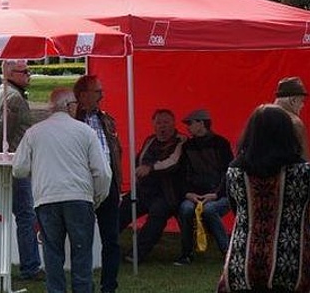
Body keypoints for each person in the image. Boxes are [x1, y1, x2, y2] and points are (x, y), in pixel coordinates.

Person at [13, 87, 112, 293]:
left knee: (52, 253)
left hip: (46, 198)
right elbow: (102, 172)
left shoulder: (34, 132)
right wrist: (97, 198)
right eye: (75, 104)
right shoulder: (86, 131)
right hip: (80, 198)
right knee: (82, 253)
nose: (77, 107)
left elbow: (19, 168)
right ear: (68, 106)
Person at [218, 104, 310, 292]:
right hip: (291, 262)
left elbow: (237, 211)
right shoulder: (303, 172)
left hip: (241, 260)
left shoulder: (235, 170)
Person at [0, 59, 42, 280]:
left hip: (5, 163)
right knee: (25, 215)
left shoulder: (0, 92)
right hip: (14, 164)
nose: (29, 75)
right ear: (10, 73)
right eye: (24, 71)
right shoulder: (13, 97)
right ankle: (30, 267)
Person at [72, 75, 122, 293]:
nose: (102, 95)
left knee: (111, 238)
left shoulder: (107, 119)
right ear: (83, 95)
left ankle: (109, 285)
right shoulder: (72, 120)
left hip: (108, 184)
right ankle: (84, 284)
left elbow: (116, 152)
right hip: (82, 185)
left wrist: (118, 184)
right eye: (97, 91)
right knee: (83, 238)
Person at [119, 109, 185, 263]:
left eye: (166, 122)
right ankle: (104, 245)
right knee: (124, 208)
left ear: (173, 123)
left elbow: (173, 162)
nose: (162, 126)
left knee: (157, 214)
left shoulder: (181, 140)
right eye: (159, 123)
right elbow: (139, 159)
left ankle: (136, 254)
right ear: (154, 125)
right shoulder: (150, 140)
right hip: (145, 190)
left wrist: (150, 168)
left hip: (168, 192)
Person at [175, 109, 233, 266]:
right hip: (194, 195)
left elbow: (228, 172)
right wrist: (187, 193)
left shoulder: (221, 144)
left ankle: (228, 253)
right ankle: (186, 254)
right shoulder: (187, 146)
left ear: (201, 123)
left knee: (209, 210)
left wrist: (216, 194)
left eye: (190, 123)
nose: (188, 127)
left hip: (219, 195)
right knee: (185, 210)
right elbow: (182, 174)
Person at [273, 76, 309, 159]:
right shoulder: (295, 123)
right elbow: (304, 162)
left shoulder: (258, 118)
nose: (303, 105)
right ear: (293, 100)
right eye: (301, 101)